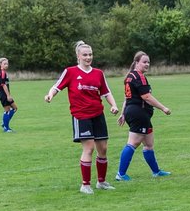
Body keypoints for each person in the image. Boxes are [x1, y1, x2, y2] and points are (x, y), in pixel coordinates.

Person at [44, 40, 119, 195]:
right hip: (81, 115)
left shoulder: (98, 73)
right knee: (89, 148)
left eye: (90, 54)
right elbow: (56, 86)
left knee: (103, 149)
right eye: (85, 55)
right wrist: (50, 95)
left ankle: (102, 182)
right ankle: (85, 185)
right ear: (78, 56)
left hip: (98, 114)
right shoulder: (70, 72)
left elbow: (106, 92)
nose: (88, 57)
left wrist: (113, 105)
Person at [115, 51, 172, 181]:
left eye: (148, 62)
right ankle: (121, 174)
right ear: (136, 63)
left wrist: (123, 113)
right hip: (138, 113)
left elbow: (126, 97)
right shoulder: (138, 76)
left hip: (136, 112)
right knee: (133, 143)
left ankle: (156, 172)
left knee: (149, 144)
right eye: (144, 62)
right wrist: (163, 108)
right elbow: (146, 96)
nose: (147, 64)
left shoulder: (130, 76)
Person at [0, 57, 17, 131]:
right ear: (0, 64)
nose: (6, 65)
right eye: (4, 64)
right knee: (7, 111)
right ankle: (6, 128)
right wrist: (8, 95)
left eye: (7, 64)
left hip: (5, 94)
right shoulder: (2, 73)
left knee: (14, 108)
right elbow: (3, 85)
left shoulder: (3, 72)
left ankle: (4, 122)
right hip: (4, 94)